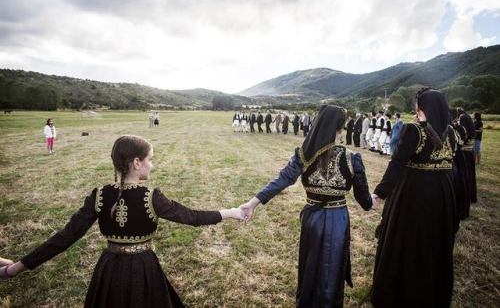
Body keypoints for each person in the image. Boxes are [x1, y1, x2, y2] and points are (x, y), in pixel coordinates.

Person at [0, 135, 244, 307]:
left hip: (109, 269)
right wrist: (231, 212)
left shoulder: (99, 195)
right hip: (144, 269)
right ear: (136, 163)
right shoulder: (151, 196)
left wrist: (16, 268)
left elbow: (65, 237)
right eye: (150, 159)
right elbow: (192, 217)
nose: (152, 164)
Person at [239, 105, 375, 308]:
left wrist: (253, 203)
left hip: (312, 218)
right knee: (332, 268)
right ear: (340, 129)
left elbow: (281, 180)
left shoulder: (303, 156)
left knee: (310, 265)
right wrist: (372, 200)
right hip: (338, 219)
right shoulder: (352, 158)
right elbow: (364, 199)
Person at [370, 88, 458, 308]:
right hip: (443, 194)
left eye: (418, 107)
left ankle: (403, 291)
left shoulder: (414, 131)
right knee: (434, 242)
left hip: (415, 193)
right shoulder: (453, 134)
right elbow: (452, 167)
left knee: (409, 240)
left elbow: (397, 163)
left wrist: (380, 192)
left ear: (423, 108)